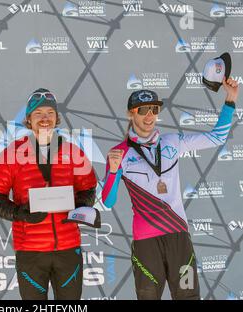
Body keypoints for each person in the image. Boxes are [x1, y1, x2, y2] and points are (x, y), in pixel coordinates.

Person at [102, 78, 239, 300]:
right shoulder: (119, 153)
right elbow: (107, 201)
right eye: (143, 110)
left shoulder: (172, 141)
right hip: (146, 242)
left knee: (189, 297)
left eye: (154, 110)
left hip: (178, 237)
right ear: (130, 114)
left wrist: (230, 100)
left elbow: (217, 137)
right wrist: (113, 171)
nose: (149, 116)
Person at [0, 88, 97, 300]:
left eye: (50, 113)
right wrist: (20, 213)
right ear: (28, 119)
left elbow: (88, 187)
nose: (44, 119)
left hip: (68, 248)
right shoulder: (11, 153)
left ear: (56, 118)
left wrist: (80, 206)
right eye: (38, 114)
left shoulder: (73, 151)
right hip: (30, 251)